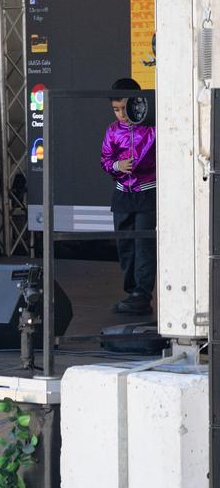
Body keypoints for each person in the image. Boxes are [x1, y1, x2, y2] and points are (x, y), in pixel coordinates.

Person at [101, 78, 156, 315]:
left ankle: (142, 294)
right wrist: (116, 165)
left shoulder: (153, 128)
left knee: (143, 244)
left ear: (138, 103)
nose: (121, 114)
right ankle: (132, 292)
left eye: (125, 108)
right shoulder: (113, 131)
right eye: (116, 109)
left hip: (146, 193)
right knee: (125, 245)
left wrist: (134, 164)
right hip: (123, 195)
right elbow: (105, 160)